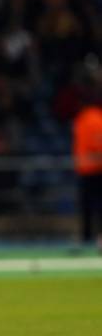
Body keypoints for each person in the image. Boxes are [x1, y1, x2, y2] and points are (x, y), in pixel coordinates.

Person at [73, 103, 102, 249]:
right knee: (93, 207)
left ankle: (87, 237)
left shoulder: (82, 120)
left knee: (87, 207)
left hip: (87, 170)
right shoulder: (94, 119)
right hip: (94, 170)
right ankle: (92, 237)